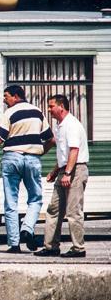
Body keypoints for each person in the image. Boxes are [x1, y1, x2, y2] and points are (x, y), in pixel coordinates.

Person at [0, 85, 53, 253]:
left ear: (16, 96)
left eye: (6, 96)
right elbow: (51, 139)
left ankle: (14, 244)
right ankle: (27, 228)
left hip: (12, 158)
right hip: (33, 158)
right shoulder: (38, 112)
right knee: (35, 198)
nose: (4, 100)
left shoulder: (9, 113)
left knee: (11, 201)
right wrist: (38, 152)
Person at [34, 94, 89, 258]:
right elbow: (64, 154)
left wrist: (67, 173)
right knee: (54, 209)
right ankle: (51, 246)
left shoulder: (71, 125)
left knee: (73, 211)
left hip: (75, 170)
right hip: (66, 169)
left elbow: (74, 150)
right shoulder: (60, 126)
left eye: (51, 106)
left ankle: (78, 248)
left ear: (61, 107)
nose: (49, 110)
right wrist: (55, 171)